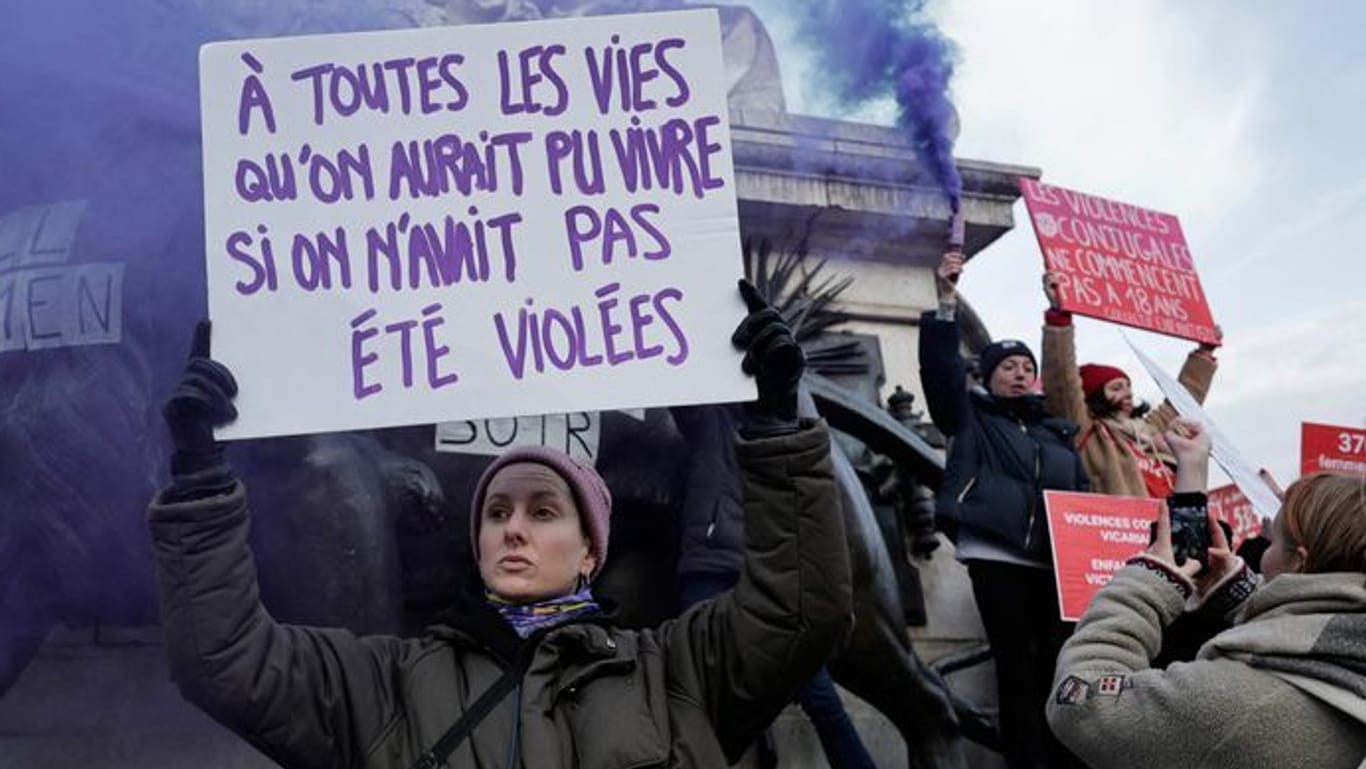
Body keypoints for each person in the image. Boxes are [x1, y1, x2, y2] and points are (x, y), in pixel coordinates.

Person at [147, 280, 853, 769]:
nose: (513, 527)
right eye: (496, 511)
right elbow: (222, 659)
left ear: (588, 553)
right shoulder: (382, 684)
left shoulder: (676, 675)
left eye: (543, 511)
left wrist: (776, 429)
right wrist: (203, 473)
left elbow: (798, 611)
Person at [1048, 416, 1366, 769]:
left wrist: (1142, 585)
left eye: (1271, 540)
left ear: (1299, 563)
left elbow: (1081, 704)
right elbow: (1315, 634)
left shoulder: (1233, 704)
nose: (1261, 552)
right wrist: (1244, 593)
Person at [919, 251, 1090, 769]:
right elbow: (942, 374)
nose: (1019, 375)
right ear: (988, 376)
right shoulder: (969, 416)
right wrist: (945, 304)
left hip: (1056, 566)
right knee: (1016, 670)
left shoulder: (1057, 434)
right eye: (1008, 367)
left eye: (1026, 369)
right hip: (998, 557)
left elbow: (1078, 495)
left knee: (1062, 669)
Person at [671, 401, 879, 769]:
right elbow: (681, 392)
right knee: (695, 697)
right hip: (713, 570)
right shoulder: (712, 418)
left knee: (822, 700)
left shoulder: (789, 428)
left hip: (772, 580)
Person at [1040, 271, 1220, 498]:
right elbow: (1062, 382)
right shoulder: (1089, 432)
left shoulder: (1150, 429)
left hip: (1169, 527)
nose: (1127, 393)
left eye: (1127, 386)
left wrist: (1204, 353)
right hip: (1122, 530)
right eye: (1115, 388)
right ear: (1093, 395)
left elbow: (1183, 399)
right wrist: (1059, 318)